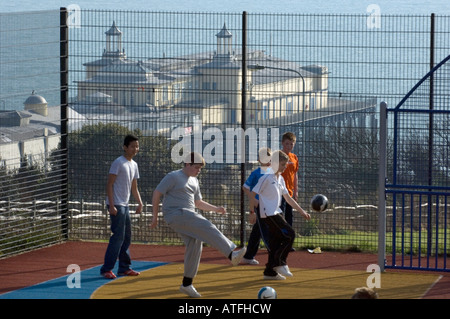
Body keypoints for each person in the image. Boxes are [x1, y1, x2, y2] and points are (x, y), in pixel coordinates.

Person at [151, 152, 247, 298]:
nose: (198, 171)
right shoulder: (173, 176)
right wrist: (154, 217)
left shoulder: (194, 181)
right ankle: (231, 252)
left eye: (200, 169)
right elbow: (157, 193)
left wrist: (216, 209)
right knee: (206, 225)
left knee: (195, 244)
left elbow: (198, 203)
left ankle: (187, 284)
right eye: (196, 167)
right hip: (176, 214)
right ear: (187, 164)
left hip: (187, 216)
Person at [250, 150, 310, 280]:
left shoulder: (280, 178)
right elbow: (253, 192)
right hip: (267, 213)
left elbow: (288, 198)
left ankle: (269, 272)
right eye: (282, 164)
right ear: (274, 163)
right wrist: (252, 212)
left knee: (276, 241)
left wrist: (302, 211)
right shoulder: (265, 177)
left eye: (285, 164)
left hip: (276, 212)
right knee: (290, 234)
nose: (284, 167)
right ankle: (280, 262)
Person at [100, 134, 143, 279]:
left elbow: (134, 187)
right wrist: (111, 206)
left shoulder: (134, 165)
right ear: (125, 147)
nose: (135, 149)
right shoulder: (118, 162)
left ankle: (124, 268)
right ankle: (107, 269)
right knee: (118, 237)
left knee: (127, 237)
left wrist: (140, 202)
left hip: (125, 205)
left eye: (137, 146)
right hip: (117, 205)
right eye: (132, 146)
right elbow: (109, 184)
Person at [241, 147, 273, 265]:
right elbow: (245, 187)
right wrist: (253, 199)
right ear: (259, 160)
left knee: (258, 231)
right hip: (259, 206)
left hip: (270, 205)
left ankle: (248, 256)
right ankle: (274, 256)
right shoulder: (256, 173)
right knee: (266, 230)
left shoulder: (273, 172)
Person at [280, 132, 299, 228]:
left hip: (289, 192)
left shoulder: (294, 157)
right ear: (282, 143)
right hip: (279, 192)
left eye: (291, 144)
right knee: (280, 216)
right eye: (287, 143)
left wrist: (296, 191)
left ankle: (288, 239)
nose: (289, 146)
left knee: (289, 217)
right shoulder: (278, 156)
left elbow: (295, 175)